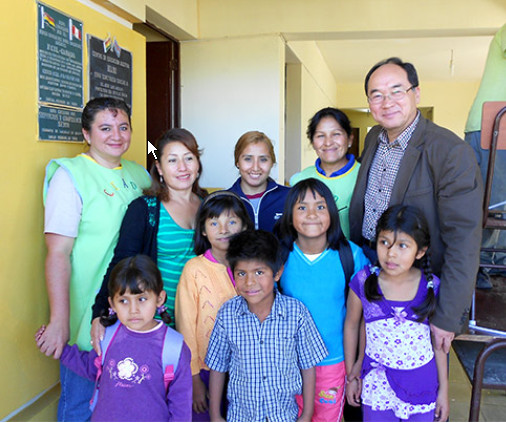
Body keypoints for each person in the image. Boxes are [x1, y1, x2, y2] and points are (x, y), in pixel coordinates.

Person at [349, 57, 483, 354]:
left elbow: (464, 238)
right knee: (373, 365)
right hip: (370, 268)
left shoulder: (449, 151)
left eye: (397, 91)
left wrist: (447, 316)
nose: (387, 102)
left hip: (418, 282)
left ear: (416, 93)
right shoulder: (373, 137)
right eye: (377, 95)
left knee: (420, 376)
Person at [37, 97, 151, 421]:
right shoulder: (70, 175)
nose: (116, 135)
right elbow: (58, 253)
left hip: (131, 312)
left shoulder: (139, 175)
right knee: (81, 405)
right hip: (88, 315)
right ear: (87, 134)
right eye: (105, 128)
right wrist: (59, 320)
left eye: (123, 127)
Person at [36, 255, 192, 422]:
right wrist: (61, 350)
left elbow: (181, 408)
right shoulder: (108, 335)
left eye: (142, 299)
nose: (133, 310)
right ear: (112, 304)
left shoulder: (174, 348)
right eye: (124, 301)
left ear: (159, 298)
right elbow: (90, 367)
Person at [90, 128, 208, 348]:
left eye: (189, 158)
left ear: (198, 164)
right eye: (172, 160)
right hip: (159, 324)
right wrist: (99, 314)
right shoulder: (144, 209)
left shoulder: (208, 204)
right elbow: (121, 263)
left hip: (203, 320)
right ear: (160, 169)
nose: (182, 168)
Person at [205, 230, 328, 422]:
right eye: (241, 273)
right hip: (241, 417)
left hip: (284, 416)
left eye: (259, 272)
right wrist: (215, 415)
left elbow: (308, 365)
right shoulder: (227, 315)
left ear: (277, 272)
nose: (250, 282)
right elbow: (218, 366)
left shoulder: (295, 313)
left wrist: (307, 414)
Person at [275, 178, 369, 422]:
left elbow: (364, 319)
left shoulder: (352, 255)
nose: (311, 215)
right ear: (289, 216)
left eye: (320, 206)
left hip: (333, 363)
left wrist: (355, 370)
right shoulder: (280, 257)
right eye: (302, 207)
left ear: (332, 213)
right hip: (288, 364)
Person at [344, 205, 449, 422]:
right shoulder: (363, 281)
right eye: (384, 242)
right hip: (377, 383)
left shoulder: (432, 287)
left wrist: (444, 391)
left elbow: (439, 343)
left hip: (421, 383)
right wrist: (352, 372)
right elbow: (354, 325)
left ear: (420, 251)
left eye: (402, 245)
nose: (391, 253)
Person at [175, 191, 253, 421]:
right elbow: (186, 325)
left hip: (246, 369)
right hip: (205, 370)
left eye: (231, 221)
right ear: (202, 229)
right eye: (214, 222)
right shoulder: (194, 269)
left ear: (244, 226)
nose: (223, 229)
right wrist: (194, 377)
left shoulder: (251, 267)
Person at [464, 23, 506, 289]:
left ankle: (494, 264)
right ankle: (480, 268)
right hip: (493, 127)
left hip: (496, 125)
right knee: (493, 206)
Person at [290, 107, 360, 238]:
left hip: (351, 256)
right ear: (312, 142)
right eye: (321, 136)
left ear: (350, 139)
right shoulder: (300, 180)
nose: (328, 142)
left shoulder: (364, 176)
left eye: (336, 134)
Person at [228, 130, 289, 232]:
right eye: (248, 159)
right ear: (237, 162)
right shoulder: (223, 200)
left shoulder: (290, 197)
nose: (255, 167)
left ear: (272, 163)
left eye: (263, 159)